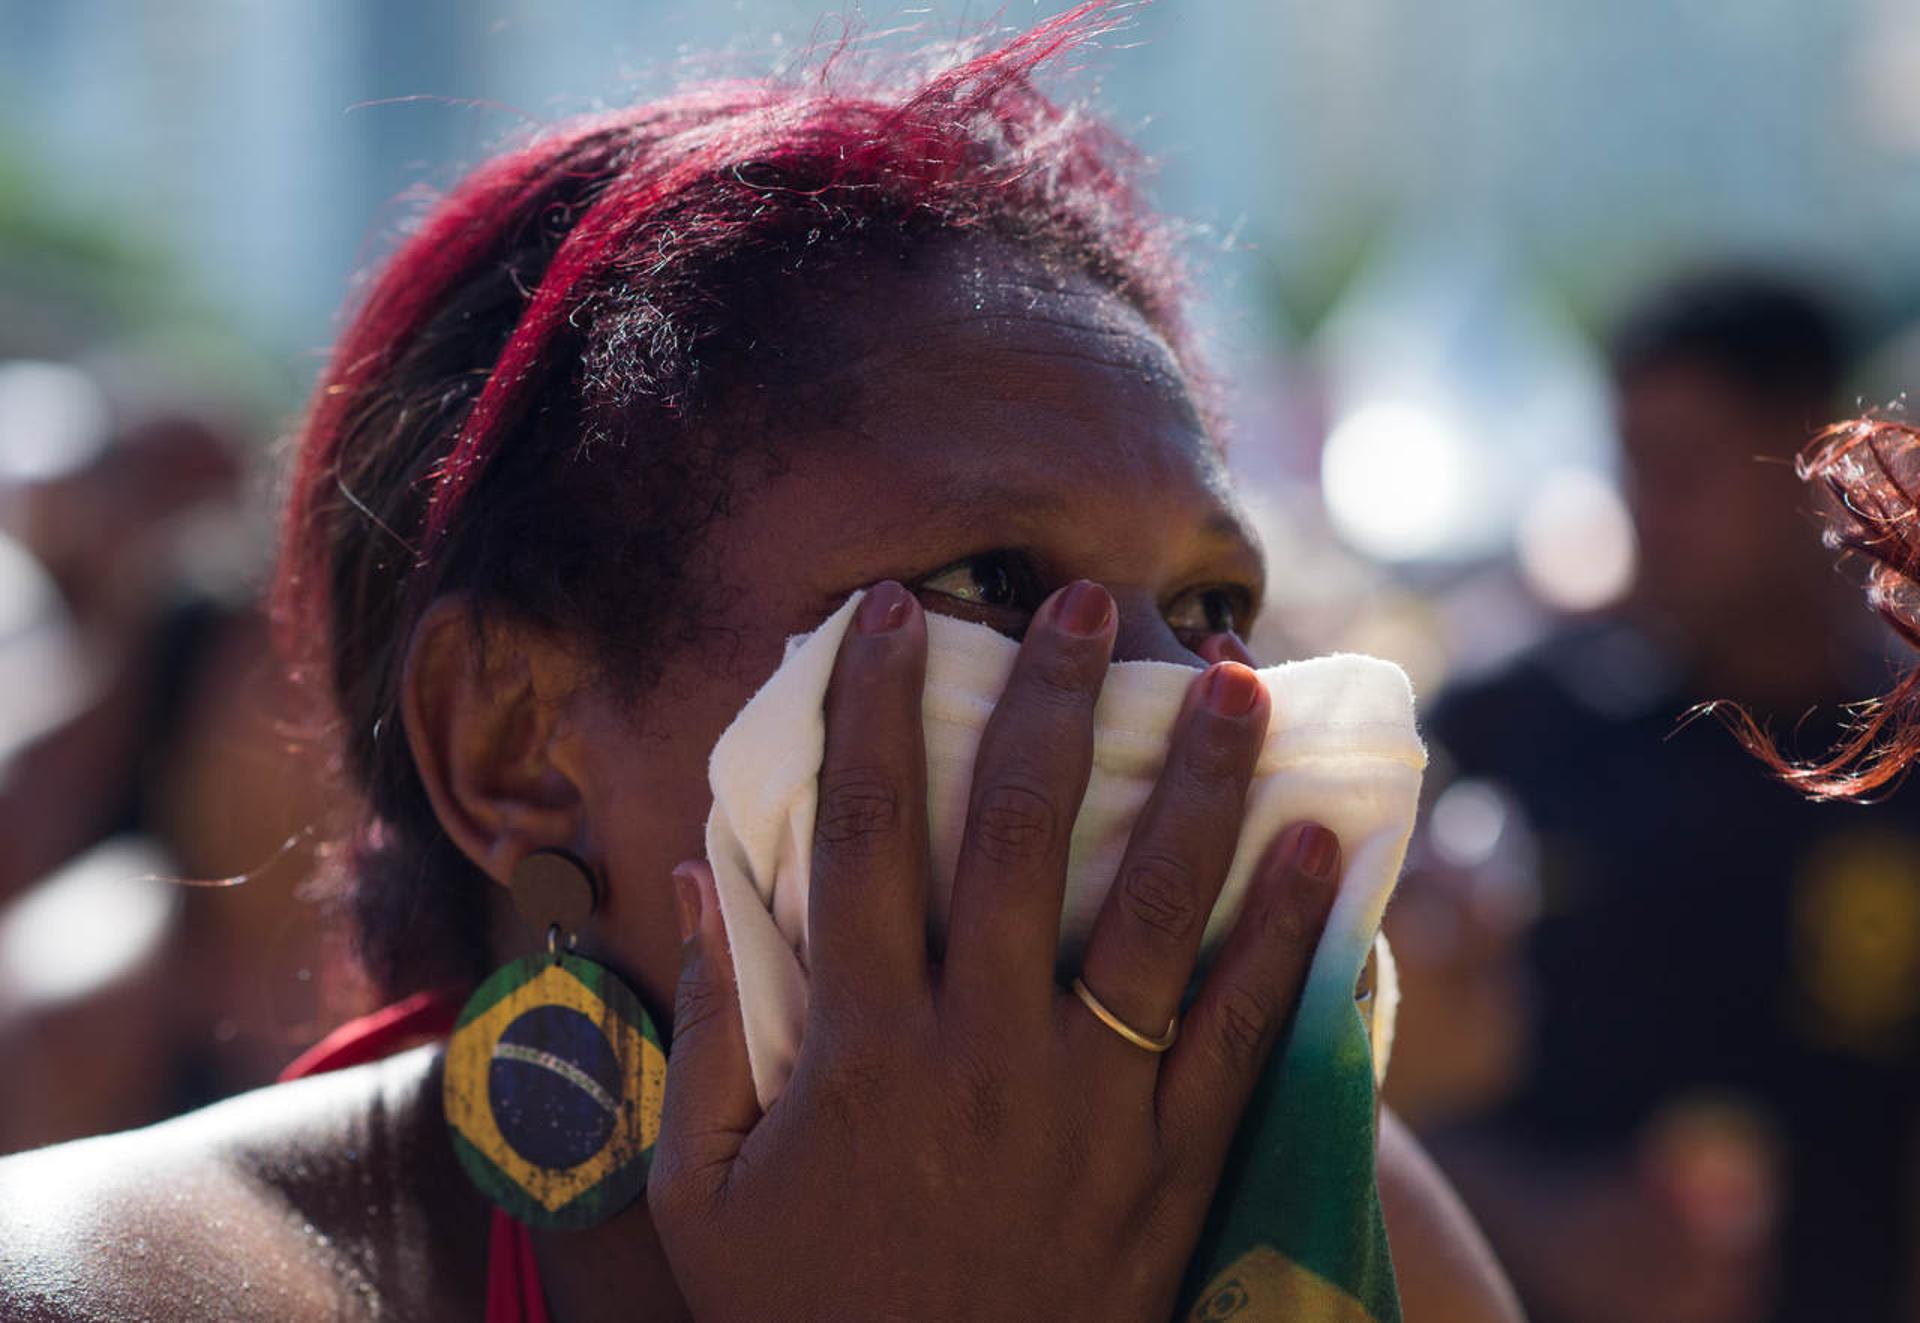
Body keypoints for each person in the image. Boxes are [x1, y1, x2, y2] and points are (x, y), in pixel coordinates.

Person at [0, 11, 1517, 1319]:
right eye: (991, 582)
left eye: (1207, 602)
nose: (1177, 704)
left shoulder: (1338, 1221)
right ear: (512, 742)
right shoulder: (109, 1280)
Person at [1424, 271, 1920, 1323]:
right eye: (1631, 465)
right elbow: (1353, 1085)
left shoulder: (1903, 753)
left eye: (1685, 470)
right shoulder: (1509, 729)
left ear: (1820, 463)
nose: (1646, 512)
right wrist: (1538, 1218)